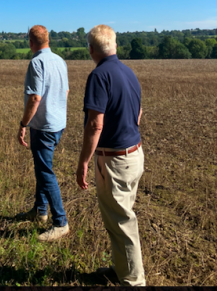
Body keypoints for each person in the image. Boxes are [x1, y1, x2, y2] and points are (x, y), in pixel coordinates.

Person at [76, 25, 145, 286]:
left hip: (115, 160)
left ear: (91, 50)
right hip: (134, 154)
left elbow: (95, 124)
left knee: (122, 223)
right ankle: (122, 270)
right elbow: (138, 113)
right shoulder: (129, 73)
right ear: (115, 45)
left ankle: (133, 282)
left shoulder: (99, 76)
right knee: (121, 218)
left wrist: (83, 161)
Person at [16, 25, 69, 242]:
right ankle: (40, 211)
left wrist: (23, 124)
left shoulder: (36, 62)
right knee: (42, 167)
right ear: (48, 39)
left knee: (46, 173)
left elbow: (35, 97)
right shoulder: (60, 60)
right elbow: (66, 91)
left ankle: (61, 222)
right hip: (58, 123)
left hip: (43, 126)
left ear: (30, 41)